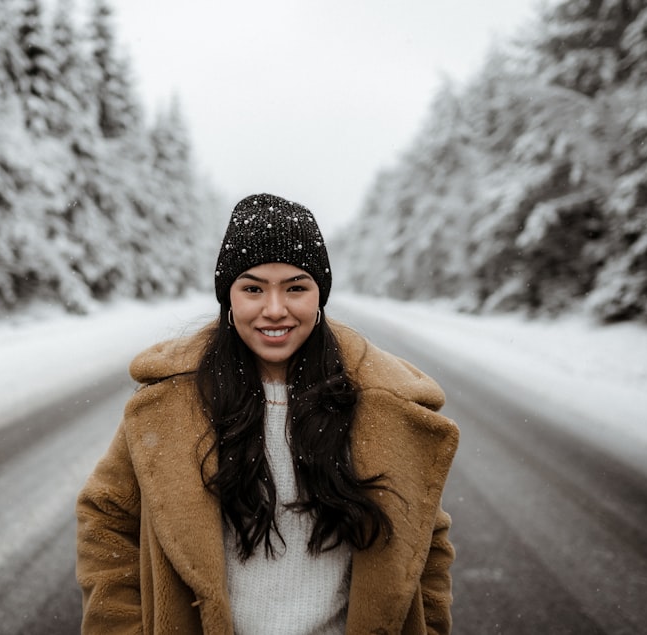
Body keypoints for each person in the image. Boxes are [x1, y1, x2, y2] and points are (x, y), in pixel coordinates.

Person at [76, 193, 459, 634]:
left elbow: (424, 541)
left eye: (296, 287)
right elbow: (107, 515)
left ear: (320, 296)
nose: (274, 309)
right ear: (229, 298)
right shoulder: (175, 401)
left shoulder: (375, 404)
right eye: (253, 288)